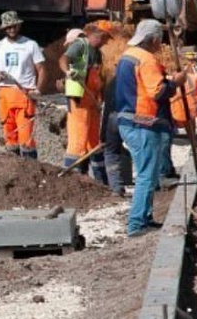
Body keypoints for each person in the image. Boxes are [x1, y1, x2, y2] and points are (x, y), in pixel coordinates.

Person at [114, 19, 187, 236]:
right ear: (153, 39)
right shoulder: (146, 60)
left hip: (129, 121)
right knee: (146, 175)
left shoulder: (127, 57)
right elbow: (157, 92)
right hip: (143, 123)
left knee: (147, 173)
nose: (161, 44)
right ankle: (137, 224)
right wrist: (175, 83)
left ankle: (145, 217)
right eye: (160, 40)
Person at [0, 10, 46, 159]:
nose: (11, 29)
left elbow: (42, 69)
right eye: (8, 27)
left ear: (19, 25)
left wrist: (38, 90)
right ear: (4, 29)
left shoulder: (30, 45)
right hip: (5, 95)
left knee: (26, 137)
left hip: (25, 95)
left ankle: (31, 171)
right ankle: (13, 171)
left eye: (14, 26)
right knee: (9, 136)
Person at [59, 23, 110, 176]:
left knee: (94, 141)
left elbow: (98, 78)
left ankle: (100, 179)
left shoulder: (97, 53)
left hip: (92, 101)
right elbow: (64, 58)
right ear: (98, 35)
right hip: (79, 99)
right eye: (105, 39)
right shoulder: (81, 45)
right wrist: (68, 72)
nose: (106, 43)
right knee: (78, 139)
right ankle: (74, 179)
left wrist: (101, 99)